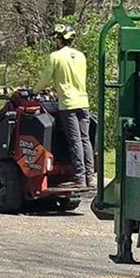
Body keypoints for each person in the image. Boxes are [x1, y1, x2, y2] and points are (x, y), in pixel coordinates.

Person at [39, 23, 95, 189]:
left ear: (59, 39)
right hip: (83, 102)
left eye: (56, 37)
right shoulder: (81, 56)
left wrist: (34, 90)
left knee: (75, 140)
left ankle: (79, 177)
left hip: (68, 104)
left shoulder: (55, 57)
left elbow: (45, 79)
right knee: (86, 140)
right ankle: (90, 177)